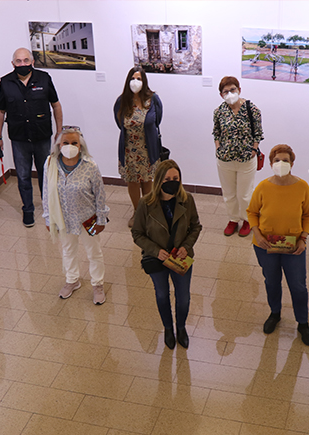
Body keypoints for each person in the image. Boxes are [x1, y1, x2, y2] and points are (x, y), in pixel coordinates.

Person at [247, 144, 309, 346]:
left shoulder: (302, 186)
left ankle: (302, 323)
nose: (281, 164)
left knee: (298, 286)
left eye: (285, 160)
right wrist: (257, 234)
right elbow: (252, 212)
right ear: (270, 164)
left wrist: (303, 238)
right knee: (271, 282)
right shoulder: (263, 187)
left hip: (293, 247)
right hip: (265, 244)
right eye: (277, 161)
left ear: (292, 163)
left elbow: (308, 214)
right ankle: (275, 313)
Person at [131, 160, 202, 350]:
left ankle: (181, 328)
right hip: (157, 259)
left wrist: (186, 247)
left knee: (184, 297)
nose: (172, 182)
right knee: (162, 295)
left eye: (176, 178)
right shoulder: (146, 203)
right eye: (167, 179)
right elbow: (137, 234)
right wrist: (156, 251)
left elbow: (196, 226)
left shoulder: (187, 200)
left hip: (181, 257)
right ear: (158, 180)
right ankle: (168, 329)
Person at [0, 47, 63, 227]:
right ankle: (28, 210)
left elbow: (56, 105)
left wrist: (59, 131)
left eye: (26, 61)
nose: (22, 64)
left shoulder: (44, 78)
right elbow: (1, 111)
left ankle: (49, 208)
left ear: (32, 62)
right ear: (13, 63)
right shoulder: (5, 82)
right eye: (19, 61)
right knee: (23, 177)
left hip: (42, 136)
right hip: (19, 139)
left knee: (45, 175)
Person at [42, 126, 109, 304]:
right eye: (66, 142)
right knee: (68, 250)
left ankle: (98, 284)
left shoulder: (90, 166)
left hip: (88, 218)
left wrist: (101, 218)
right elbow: (46, 192)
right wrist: (48, 217)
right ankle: (72, 280)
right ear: (59, 144)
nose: (70, 146)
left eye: (74, 143)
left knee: (93, 252)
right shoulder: (50, 164)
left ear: (81, 145)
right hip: (63, 219)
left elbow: (100, 194)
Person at [213, 76, 263, 238]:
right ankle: (233, 219)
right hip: (225, 159)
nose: (230, 93)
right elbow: (216, 132)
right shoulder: (219, 111)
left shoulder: (251, 108)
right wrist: (218, 148)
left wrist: (254, 150)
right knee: (229, 192)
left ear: (239, 90)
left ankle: (247, 220)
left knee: (245, 193)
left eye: (232, 89)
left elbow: (258, 133)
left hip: (246, 159)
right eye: (225, 91)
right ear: (221, 94)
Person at [113, 66, 163, 227]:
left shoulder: (153, 99)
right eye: (133, 79)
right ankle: (136, 212)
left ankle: (147, 211)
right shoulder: (122, 101)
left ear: (144, 81)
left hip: (148, 150)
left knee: (147, 181)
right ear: (128, 81)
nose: (136, 82)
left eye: (139, 79)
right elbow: (119, 122)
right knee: (133, 182)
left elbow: (157, 121)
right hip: (129, 150)